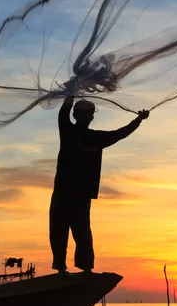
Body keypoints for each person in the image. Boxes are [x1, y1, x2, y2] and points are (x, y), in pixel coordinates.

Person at [50, 95, 148, 273]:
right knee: (68, 230)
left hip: (73, 193)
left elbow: (120, 134)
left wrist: (138, 120)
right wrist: (138, 120)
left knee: (73, 231)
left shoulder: (83, 134)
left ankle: (72, 269)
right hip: (69, 192)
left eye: (84, 113)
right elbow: (120, 134)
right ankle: (73, 269)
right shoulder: (76, 133)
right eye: (82, 113)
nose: (84, 117)